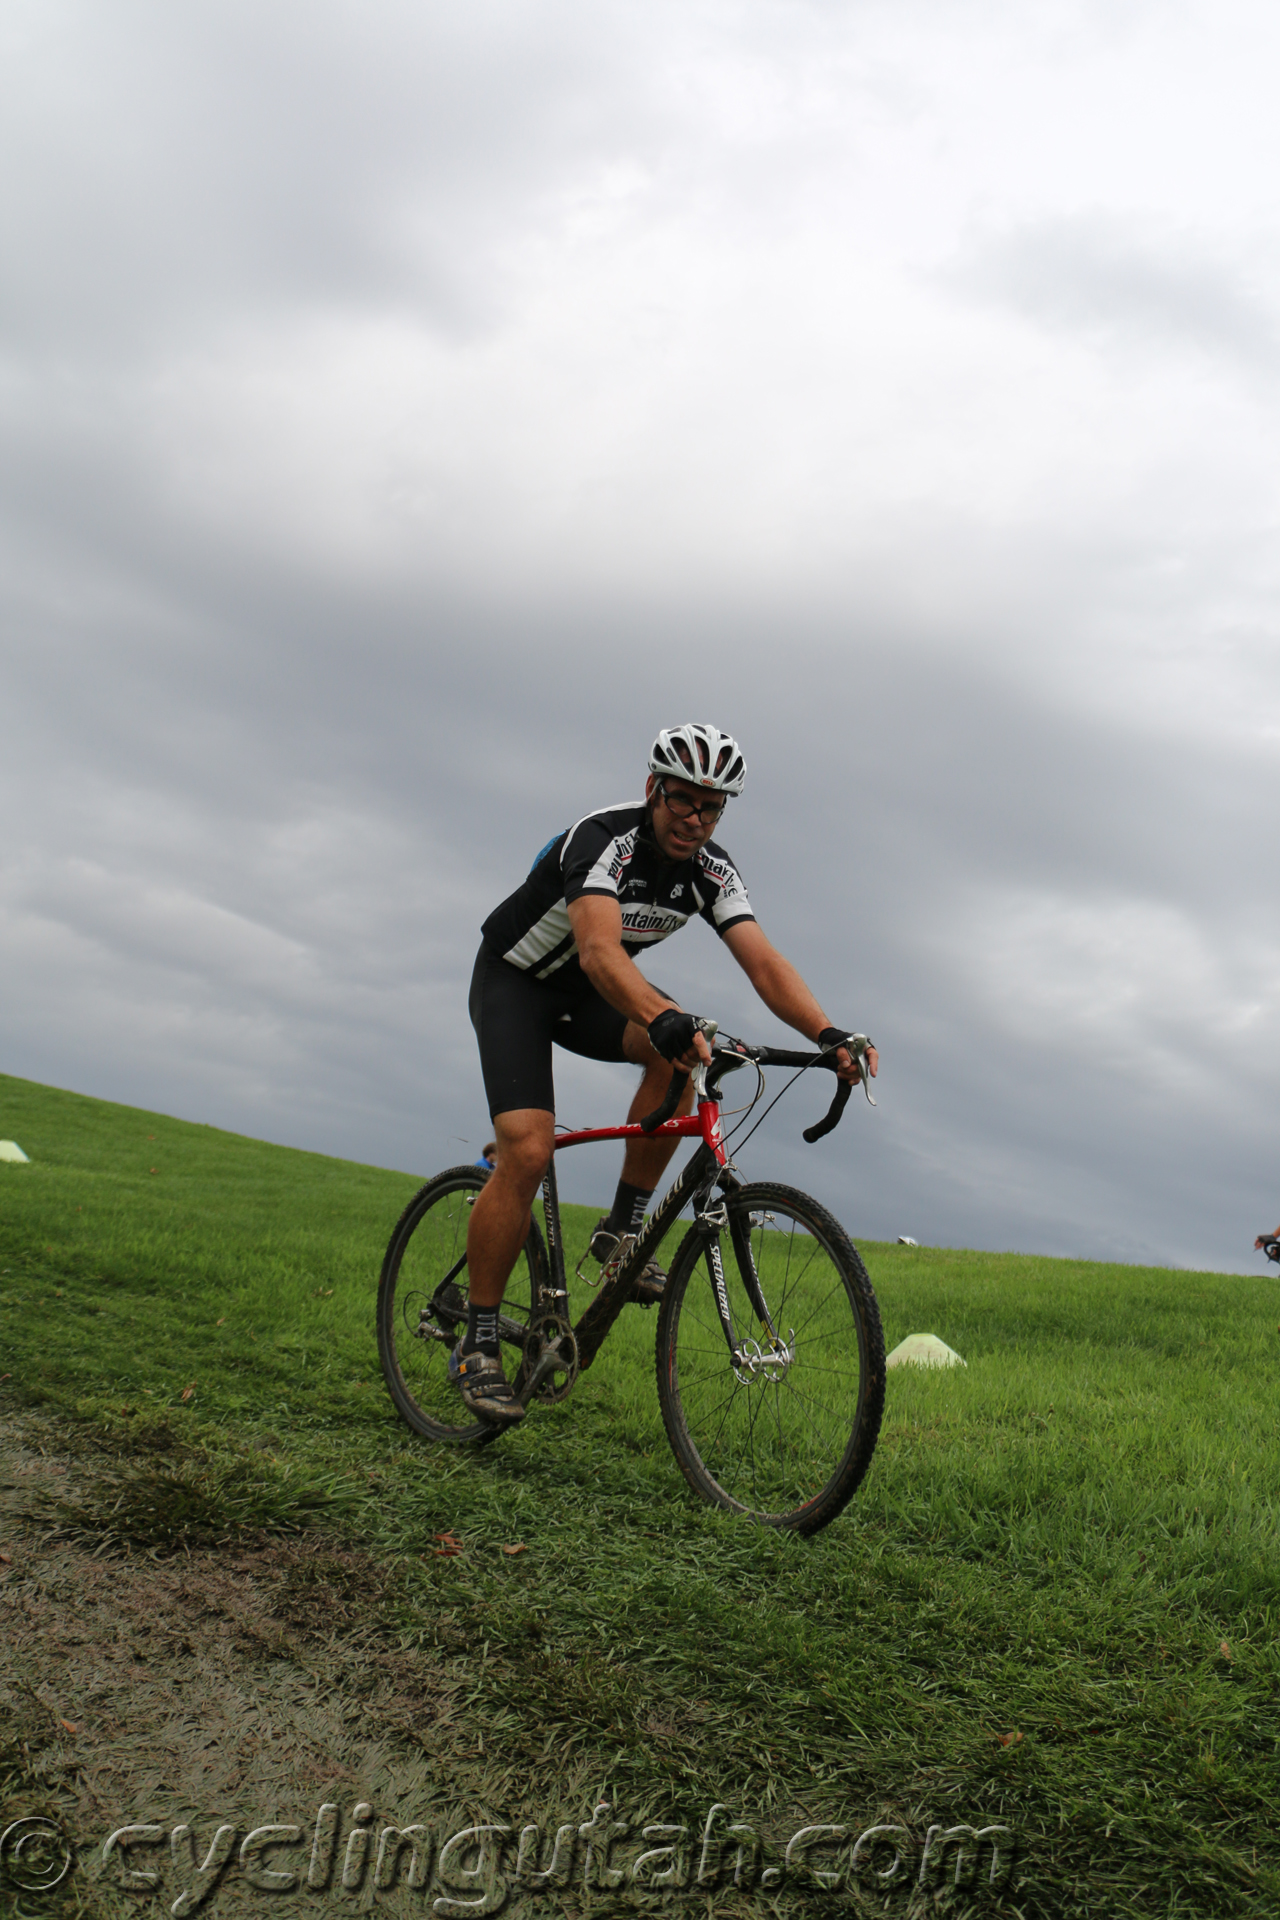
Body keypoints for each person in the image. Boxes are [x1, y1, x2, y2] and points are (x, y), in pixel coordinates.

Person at [456, 723, 878, 1422]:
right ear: (653, 789)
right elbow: (596, 949)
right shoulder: (602, 841)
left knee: (685, 1047)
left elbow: (764, 963)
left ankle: (621, 1231)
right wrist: (661, 1015)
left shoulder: (713, 871)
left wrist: (828, 1033)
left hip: (591, 998)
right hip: (517, 987)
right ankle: (476, 1345)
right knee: (529, 1149)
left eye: (712, 808)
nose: (695, 819)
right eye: (683, 800)